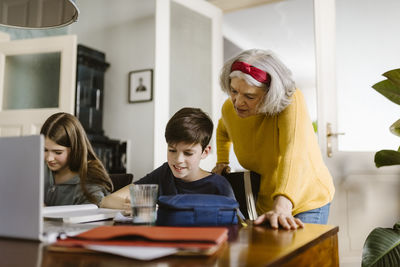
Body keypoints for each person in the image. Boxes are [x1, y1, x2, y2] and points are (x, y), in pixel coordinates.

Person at [212, 49, 335, 230]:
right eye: (233, 91)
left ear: (270, 93)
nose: (238, 102)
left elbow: (293, 154)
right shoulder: (230, 109)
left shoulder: (290, 101)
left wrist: (282, 205)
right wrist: (222, 161)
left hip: (306, 197)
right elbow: (223, 129)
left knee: (298, 257)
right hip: (268, 200)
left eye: (249, 96)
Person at [100, 107, 235, 210]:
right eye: (172, 150)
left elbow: (236, 228)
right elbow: (107, 201)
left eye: (188, 153)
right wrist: (133, 206)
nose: (178, 159)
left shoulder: (219, 186)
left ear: (205, 152)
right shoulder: (164, 174)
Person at [41, 112, 113, 206]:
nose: (49, 158)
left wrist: (45, 211)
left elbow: (92, 215)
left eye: (58, 152)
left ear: (75, 149)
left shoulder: (91, 182)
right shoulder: (39, 168)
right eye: (44, 150)